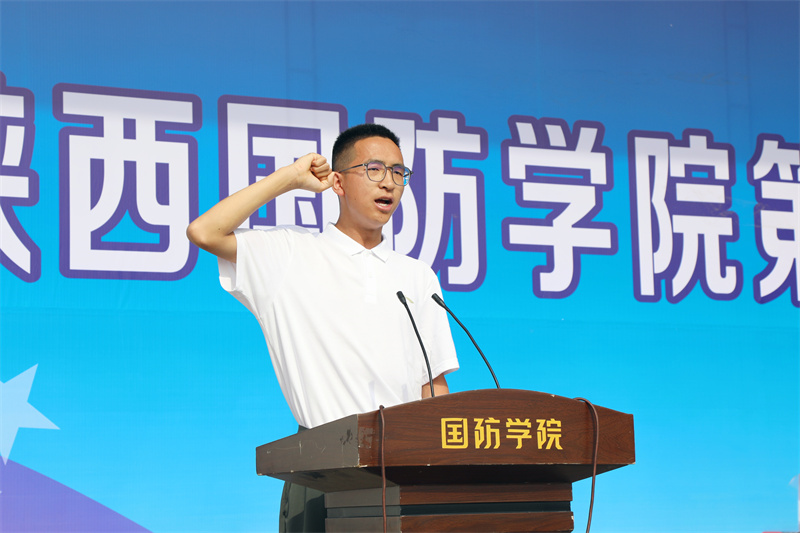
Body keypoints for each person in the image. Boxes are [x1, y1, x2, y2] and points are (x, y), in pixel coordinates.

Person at [186, 123, 459, 532]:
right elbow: (204, 231)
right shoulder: (290, 255)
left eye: (398, 172)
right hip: (322, 470)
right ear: (338, 182)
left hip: (402, 473)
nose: (389, 182)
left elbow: (433, 387)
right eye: (374, 169)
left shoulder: (418, 277)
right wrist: (289, 178)